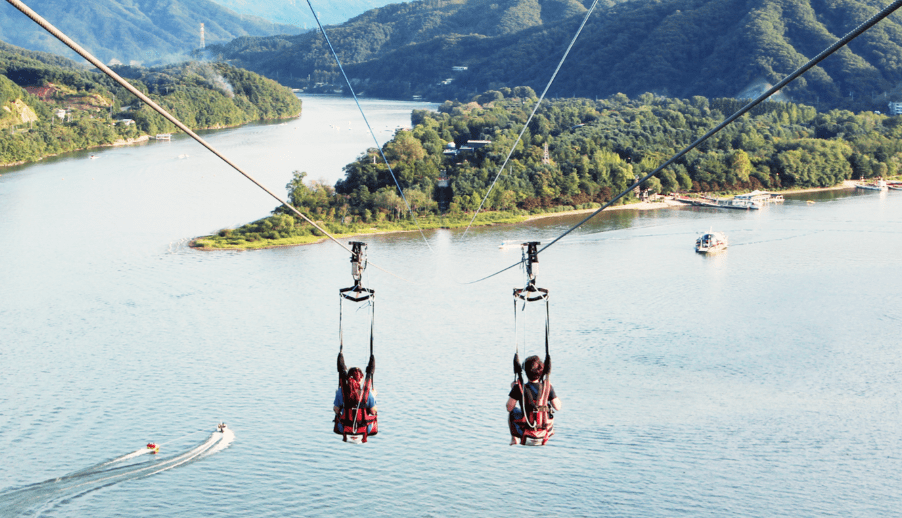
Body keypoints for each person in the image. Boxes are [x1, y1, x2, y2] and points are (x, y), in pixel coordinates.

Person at [506, 355, 561, 445]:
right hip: (544, 428)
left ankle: (514, 438)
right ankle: (550, 431)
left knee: (512, 412)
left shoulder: (519, 388)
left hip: (524, 428)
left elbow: (509, 408)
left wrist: (513, 389)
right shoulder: (547, 387)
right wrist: (551, 389)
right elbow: (558, 407)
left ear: (526, 371)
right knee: (549, 411)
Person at [334, 353, 378, 438]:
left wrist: (338, 397)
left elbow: (336, 410)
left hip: (343, 427)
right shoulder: (367, 393)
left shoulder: (341, 391)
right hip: (365, 428)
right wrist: (373, 396)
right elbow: (373, 411)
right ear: (361, 379)